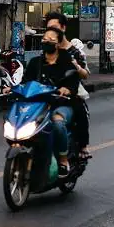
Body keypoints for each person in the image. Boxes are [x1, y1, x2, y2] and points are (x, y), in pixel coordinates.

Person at [19, 28, 81, 176]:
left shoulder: (66, 62)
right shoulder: (35, 62)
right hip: (38, 105)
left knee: (58, 123)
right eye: (45, 38)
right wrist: (12, 89)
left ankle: (63, 159)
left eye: (51, 39)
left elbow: (74, 82)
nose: (47, 41)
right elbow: (25, 82)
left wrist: (66, 89)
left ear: (58, 44)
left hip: (61, 104)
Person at [43, 12, 92, 158]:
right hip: (48, 94)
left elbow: (85, 74)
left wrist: (77, 68)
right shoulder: (46, 49)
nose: (51, 32)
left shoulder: (74, 52)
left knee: (77, 111)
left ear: (63, 28)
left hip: (70, 95)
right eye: (48, 29)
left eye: (54, 27)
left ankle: (79, 148)